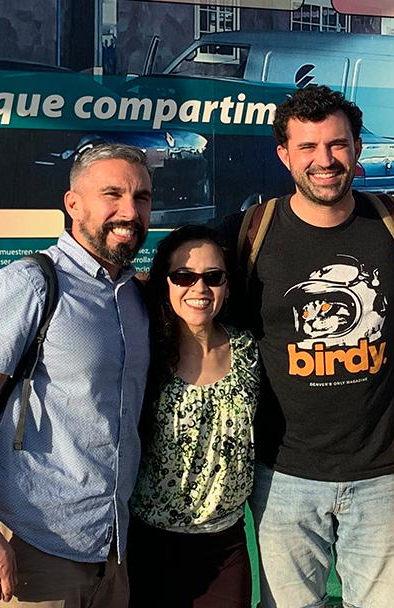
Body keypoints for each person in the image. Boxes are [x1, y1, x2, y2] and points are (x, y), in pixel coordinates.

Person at [223, 84, 394, 608]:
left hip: (383, 476)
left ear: (357, 148)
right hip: (283, 477)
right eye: (308, 148)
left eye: (337, 145)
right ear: (284, 155)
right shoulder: (249, 232)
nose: (324, 160)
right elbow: (185, 290)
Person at [0, 142, 153, 607]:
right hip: (30, 552)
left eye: (142, 198)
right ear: (72, 203)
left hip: (111, 547)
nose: (129, 211)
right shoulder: (29, 286)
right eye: (111, 194)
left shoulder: (134, 298)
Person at [128, 225, 258, 607]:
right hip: (152, 543)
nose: (199, 289)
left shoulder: (249, 349)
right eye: (183, 276)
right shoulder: (146, 349)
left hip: (225, 546)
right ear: (165, 284)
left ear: (228, 286)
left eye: (213, 277)